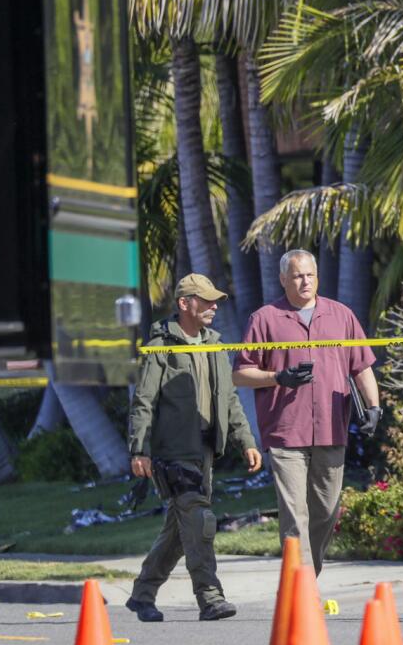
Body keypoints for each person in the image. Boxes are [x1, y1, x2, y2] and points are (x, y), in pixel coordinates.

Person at [233, 249, 383, 577]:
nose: (305, 281)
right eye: (298, 275)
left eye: (310, 275)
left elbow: (362, 367)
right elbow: (240, 373)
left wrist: (374, 407)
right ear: (283, 279)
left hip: (332, 428)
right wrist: (277, 377)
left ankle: (305, 578)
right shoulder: (265, 318)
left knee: (327, 510)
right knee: (294, 513)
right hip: (286, 432)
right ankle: (301, 590)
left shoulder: (341, 315)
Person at [126, 273, 262, 622]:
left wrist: (245, 440)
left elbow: (230, 399)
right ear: (185, 303)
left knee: (178, 530)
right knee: (200, 521)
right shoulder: (161, 348)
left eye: (215, 300)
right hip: (172, 453)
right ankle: (210, 597)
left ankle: (142, 595)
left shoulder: (214, 345)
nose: (214, 306)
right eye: (206, 300)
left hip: (204, 452)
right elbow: (144, 400)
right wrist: (138, 449)